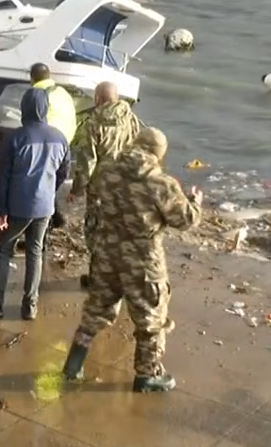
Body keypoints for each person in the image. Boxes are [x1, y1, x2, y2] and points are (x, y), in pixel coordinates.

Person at [62, 126, 202, 393]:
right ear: (158, 154)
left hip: (107, 253)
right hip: (143, 260)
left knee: (96, 310)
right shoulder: (162, 184)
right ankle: (147, 375)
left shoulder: (108, 172)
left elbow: (98, 197)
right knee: (151, 318)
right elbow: (185, 220)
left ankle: (73, 365)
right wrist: (195, 201)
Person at [0, 88, 71, 321]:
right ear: (44, 110)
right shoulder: (59, 137)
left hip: (18, 206)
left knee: (3, 251)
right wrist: (49, 189)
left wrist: (0, 211)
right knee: (35, 252)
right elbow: (63, 172)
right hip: (45, 206)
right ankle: (30, 306)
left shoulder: (16, 138)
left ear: (24, 109)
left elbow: (2, 177)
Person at [67, 81, 143, 289]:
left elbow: (87, 162)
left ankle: (98, 278)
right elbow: (140, 150)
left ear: (98, 99)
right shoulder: (131, 119)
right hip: (126, 186)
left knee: (95, 232)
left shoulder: (94, 124)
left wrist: (76, 189)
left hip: (101, 188)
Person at [29, 63, 78, 229]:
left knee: (40, 186)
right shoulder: (63, 92)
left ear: (31, 78)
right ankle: (56, 217)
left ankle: (42, 229)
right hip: (65, 144)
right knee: (52, 183)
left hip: (47, 145)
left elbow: (32, 122)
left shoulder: (36, 94)